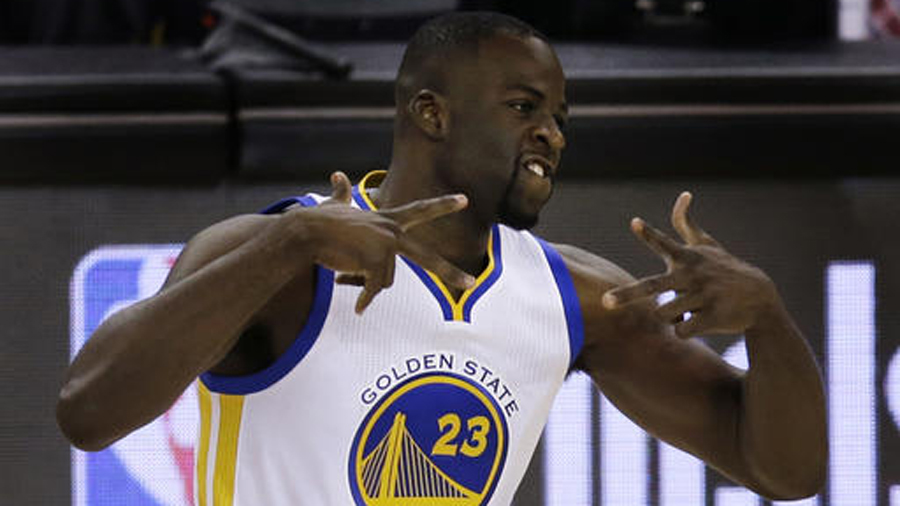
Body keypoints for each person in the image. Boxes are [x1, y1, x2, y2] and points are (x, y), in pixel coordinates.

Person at [56, 11, 827, 505]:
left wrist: (768, 321)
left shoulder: (578, 297)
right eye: (525, 108)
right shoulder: (281, 254)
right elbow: (87, 413)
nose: (552, 134)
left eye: (560, 118)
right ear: (431, 112)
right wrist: (283, 247)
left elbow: (787, 474)